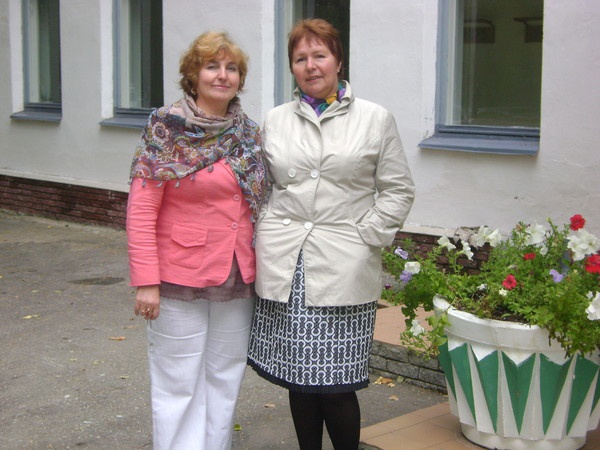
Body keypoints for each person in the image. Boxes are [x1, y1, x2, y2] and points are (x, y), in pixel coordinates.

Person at [247, 18, 415, 450]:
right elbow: (261, 188)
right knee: (299, 381)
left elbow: (398, 190)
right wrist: (266, 228)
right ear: (292, 67)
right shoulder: (276, 119)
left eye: (319, 55)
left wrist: (366, 236)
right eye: (300, 58)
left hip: (344, 264)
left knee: (337, 385)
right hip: (287, 265)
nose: (311, 65)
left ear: (339, 61)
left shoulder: (375, 119)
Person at [126, 31, 267, 450]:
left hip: (236, 274)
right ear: (193, 74)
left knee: (225, 376)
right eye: (212, 66)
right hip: (178, 275)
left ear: (240, 79)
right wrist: (146, 281)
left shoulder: (248, 132)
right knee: (178, 382)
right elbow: (141, 210)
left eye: (231, 68)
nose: (222, 75)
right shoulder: (165, 128)